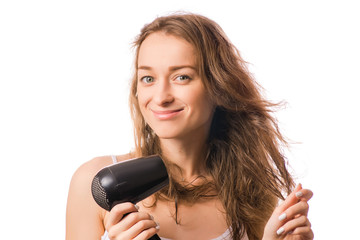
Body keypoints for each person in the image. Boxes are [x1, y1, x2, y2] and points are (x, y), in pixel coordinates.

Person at [66, 12, 313, 240]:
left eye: (181, 77)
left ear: (218, 87)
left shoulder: (250, 195)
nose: (161, 97)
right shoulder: (94, 183)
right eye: (148, 78)